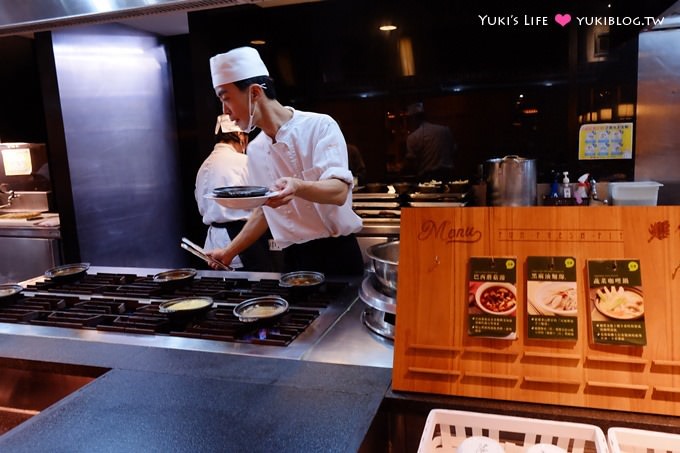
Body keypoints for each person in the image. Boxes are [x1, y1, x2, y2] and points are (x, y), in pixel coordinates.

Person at [205, 46, 364, 276]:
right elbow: (265, 210)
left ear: (254, 93)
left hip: (337, 254)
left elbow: (338, 191)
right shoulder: (257, 148)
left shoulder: (319, 126)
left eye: (226, 98)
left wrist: (298, 186)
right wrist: (229, 252)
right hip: (294, 260)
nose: (225, 112)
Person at [194, 114, 278, 271]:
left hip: (212, 242)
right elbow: (264, 203)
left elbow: (201, 206)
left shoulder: (203, 166)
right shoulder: (243, 161)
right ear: (240, 135)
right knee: (254, 287)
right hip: (242, 241)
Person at [404, 102, 456, 182]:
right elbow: (454, 151)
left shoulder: (413, 137)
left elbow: (412, 162)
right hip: (448, 175)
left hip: (428, 178)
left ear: (413, 118)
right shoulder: (445, 130)